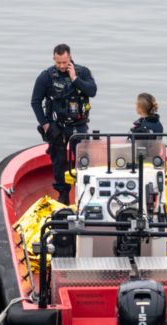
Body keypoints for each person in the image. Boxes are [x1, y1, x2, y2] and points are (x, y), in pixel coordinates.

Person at [31, 43, 98, 204]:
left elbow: (92, 91)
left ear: (70, 58)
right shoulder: (46, 76)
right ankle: (63, 194)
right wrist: (45, 124)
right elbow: (35, 101)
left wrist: (75, 79)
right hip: (57, 126)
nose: (61, 66)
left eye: (64, 62)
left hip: (79, 124)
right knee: (58, 161)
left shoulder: (82, 72)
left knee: (84, 160)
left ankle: (84, 193)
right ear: (54, 59)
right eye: (58, 62)